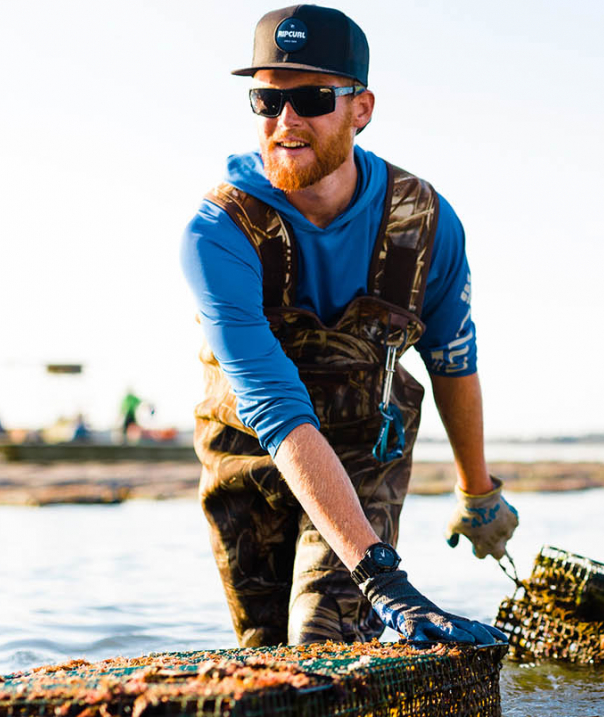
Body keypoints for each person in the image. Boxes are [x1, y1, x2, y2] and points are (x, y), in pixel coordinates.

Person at [180, 5, 518, 647]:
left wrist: (478, 492)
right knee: (266, 658)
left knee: (320, 641)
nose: (286, 122)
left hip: (366, 453)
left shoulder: (425, 226)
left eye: (309, 98)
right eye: (267, 99)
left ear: (361, 109)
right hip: (248, 456)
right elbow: (276, 408)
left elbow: (452, 360)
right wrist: (388, 584)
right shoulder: (219, 232)